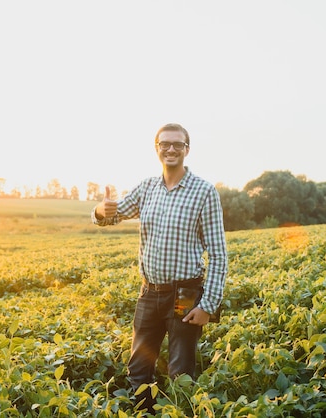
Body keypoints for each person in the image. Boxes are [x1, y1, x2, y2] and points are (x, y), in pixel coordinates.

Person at [92, 123, 228, 413]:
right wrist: (102, 211)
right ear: (157, 149)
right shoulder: (147, 188)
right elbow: (112, 215)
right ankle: (144, 413)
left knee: (180, 373)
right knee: (138, 368)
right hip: (149, 292)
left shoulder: (204, 191)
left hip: (186, 295)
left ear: (187, 150)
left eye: (177, 144)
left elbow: (218, 254)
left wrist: (208, 305)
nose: (171, 149)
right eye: (164, 144)